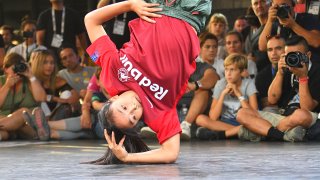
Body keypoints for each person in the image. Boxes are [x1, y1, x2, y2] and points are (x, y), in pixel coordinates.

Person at [84, 0, 212, 164]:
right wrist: (127, 157)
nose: (133, 109)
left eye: (123, 108)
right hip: (189, 12)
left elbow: (91, 20)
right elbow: (170, 153)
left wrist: (130, 5)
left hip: (157, 5)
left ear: (113, 99)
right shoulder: (158, 114)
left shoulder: (112, 75)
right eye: (133, 118)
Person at [237, 36, 320, 142]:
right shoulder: (285, 68)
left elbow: (307, 108)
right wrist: (279, 73)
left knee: (301, 114)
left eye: (296, 55)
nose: (292, 59)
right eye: (288, 55)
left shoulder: (317, 71)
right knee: (242, 113)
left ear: (308, 55)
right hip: (282, 115)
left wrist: (303, 78)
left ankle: (263, 132)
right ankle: (280, 135)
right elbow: (272, 100)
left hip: (304, 118)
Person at [195, 53, 258, 140]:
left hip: (244, 122)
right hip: (224, 123)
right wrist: (223, 94)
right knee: (200, 119)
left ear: (242, 71)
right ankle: (239, 132)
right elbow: (213, 117)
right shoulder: (221, 84)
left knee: (256, 124)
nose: (228, 73)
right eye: (226, 69)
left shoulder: (248, 84)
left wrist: (238, 93)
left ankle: (224, 133)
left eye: (232, 70)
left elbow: (255, 115)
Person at [0, 53, 46, 141]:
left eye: (20, 67)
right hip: (5, 122)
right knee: (4, 133)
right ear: (5, 69)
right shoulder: (1, 81)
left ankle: (11, 129)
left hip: (27, 124)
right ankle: (10, 131)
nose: (18, 71)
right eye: (14, 68)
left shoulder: (30, 81)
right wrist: (7, 86)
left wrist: (31, 76)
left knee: (23, 113)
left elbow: (41, 98)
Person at [29, 49, 79, 118]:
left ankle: (54, 122)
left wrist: (74, 97)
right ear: (38, 64)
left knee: (67, 93)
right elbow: (40, 98)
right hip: (39, 115)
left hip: (57, 114)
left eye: (52, 63)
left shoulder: (58, 79)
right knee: (42, 102)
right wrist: (58, 99)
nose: (49, 66)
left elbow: (72, 92)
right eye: (45, 63)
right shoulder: (32, 80)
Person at [36, 0, 88, 66]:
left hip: (70, 57)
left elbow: (81, 36)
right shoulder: (44, 16)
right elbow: (39, 40)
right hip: (50, 58)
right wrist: (42, 57)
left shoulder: (73, 14)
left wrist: (85, 54)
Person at [255, 35, 286, 112]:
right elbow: (268, 103)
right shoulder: (261, 76)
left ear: (286, 49)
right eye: (270, 50)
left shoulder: (295, 70)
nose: (274, 53)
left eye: (278, 48)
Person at [245, 0, 270, 72]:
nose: (259, 6)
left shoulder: (277, 25)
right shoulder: (251, 32)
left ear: (270, 3)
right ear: (252, 7)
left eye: (262, 1)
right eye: (256, 3)